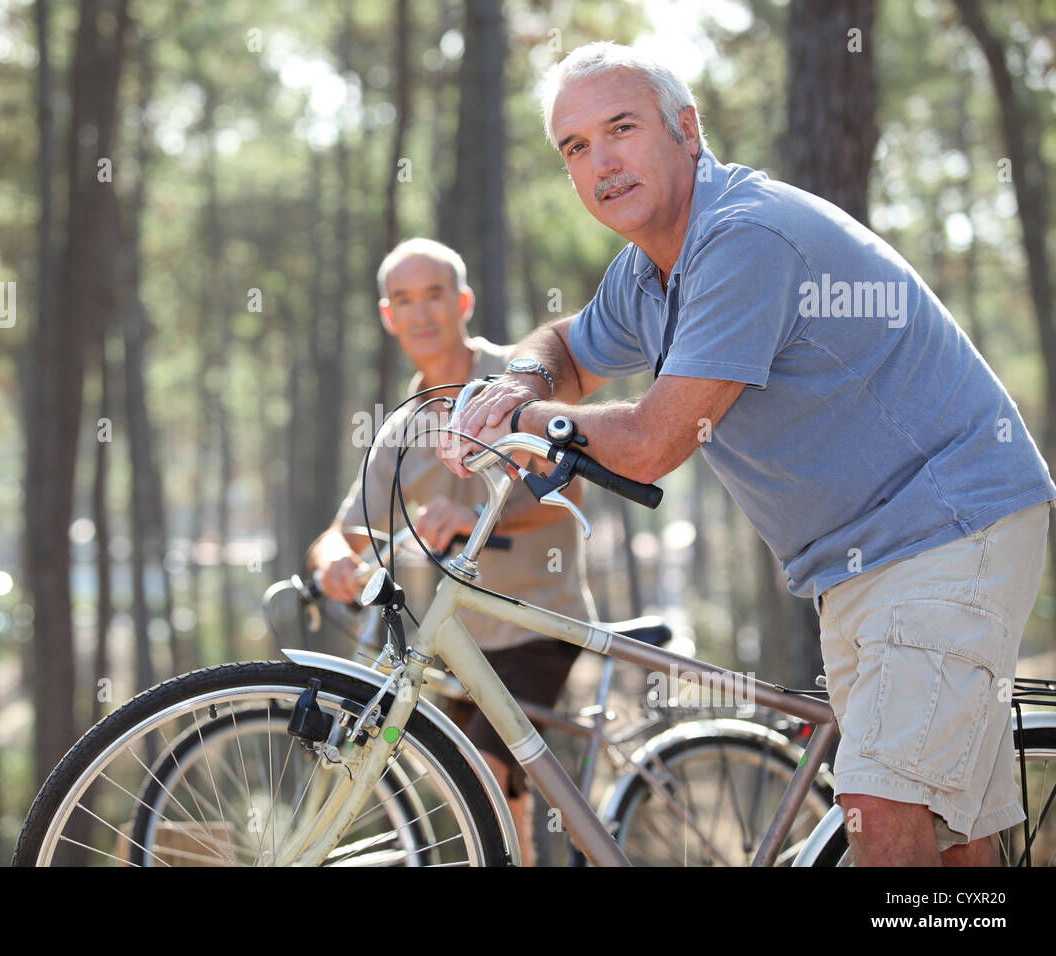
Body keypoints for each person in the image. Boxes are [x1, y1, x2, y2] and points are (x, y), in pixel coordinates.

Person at [440, 41, 1056, 866]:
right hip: (863, 561)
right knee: (948, 844)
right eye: (576, 147)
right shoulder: (648, 272)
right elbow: (567, 346)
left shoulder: (743, 239)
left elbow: (657, 440)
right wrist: (520, 379)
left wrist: (539, 419)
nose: (601, 161)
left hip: (946, 528)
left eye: (621, 128)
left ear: (687, 130)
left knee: (880, 813)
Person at [307, 237, 596, 862]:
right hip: (447, 642)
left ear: (462, 301)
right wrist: (331, 556)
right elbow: (345, 530)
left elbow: (566, 475)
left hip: (534, 623)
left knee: (484, 782)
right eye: (403, 300)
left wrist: (475, 515)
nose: (421, 313)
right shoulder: (401, 421)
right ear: (388, 316)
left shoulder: (515, 378)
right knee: (486, 803)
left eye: (434, 294)